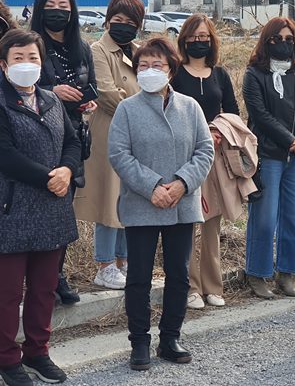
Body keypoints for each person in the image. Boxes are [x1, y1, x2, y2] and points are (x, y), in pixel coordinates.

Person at [108, 37, 214, 370]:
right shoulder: (127, 108)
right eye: (143, 65)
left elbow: (205, 150)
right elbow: (119, 154)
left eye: (157, 65)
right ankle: (139, 341)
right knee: (138, 277)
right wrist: (152, 186)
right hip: (142, 204)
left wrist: (182, 183)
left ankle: (170, 337)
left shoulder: (190, 107)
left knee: (178, 275)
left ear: (171, 69)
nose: (149, 71)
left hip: (182, 205)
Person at [0, 29, 80, 386]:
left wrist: (67, 169)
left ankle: (37, 351)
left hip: (53, 209)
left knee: (44, 289)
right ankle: (6, 358)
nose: (26, 64)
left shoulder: (51, 100)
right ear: (4, 66)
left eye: (33, 57)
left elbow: (73, 142)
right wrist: (50, 177)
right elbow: (5, 155)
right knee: (7, 293)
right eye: (18, 58)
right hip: (12, 209)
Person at [30, 0, 98, 306]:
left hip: (72, 137)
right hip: (36, 135)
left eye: (64, 9)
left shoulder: (82, 47)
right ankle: (34, 277)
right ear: (40, 8)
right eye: (51, 8)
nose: (58, 14)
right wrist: (52, 92)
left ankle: (55, 276)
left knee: (63, 212)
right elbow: (15, 88)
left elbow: (92, 88)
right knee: (34, 210)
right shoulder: (31, 45)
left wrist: (89, 102)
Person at [73, 0, 145, 290]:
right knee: (108, 199)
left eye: (131, 22)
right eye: (119, 20)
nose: (123, 26)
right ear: (108, 20)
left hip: (139, 136)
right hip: (109, 134)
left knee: (130, 199)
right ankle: (103, 265)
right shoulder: (98, 49)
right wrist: (144, 107)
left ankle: (122, 261)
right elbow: (105, 91)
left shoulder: (141, 51)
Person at [171, 14, 239, 310]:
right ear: (184, 40)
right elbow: (168, 112)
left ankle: (212, 285)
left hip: (214, 156)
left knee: (211, 223)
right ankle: (190, 287)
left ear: (212, 40)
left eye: (204, 37)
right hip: (182, 157)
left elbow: (233, 112)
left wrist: (216, 129)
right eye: (193, 37)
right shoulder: (174, 73)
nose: (199, 42)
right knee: (187, 222)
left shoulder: (221, 75)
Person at [243, 17, 295, 299]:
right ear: (265, 40)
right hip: (268, 154)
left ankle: (287, 274)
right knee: (265, 217)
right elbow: (260, 115)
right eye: (276, 39)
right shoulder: (254, 74)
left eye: (288, 39)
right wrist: (292, 141)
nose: (283, 44)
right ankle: (257, 274)